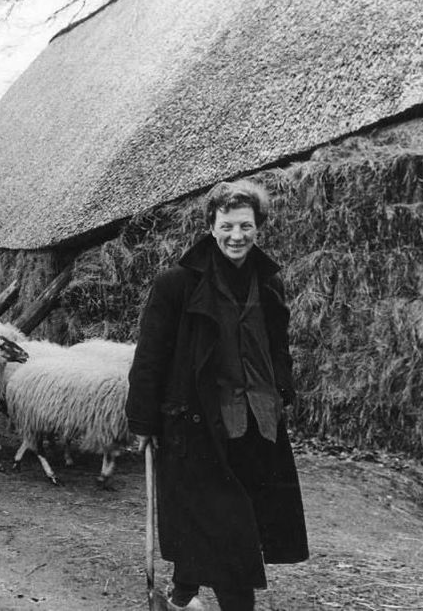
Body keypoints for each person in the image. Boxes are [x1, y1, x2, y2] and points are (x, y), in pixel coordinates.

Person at [126, 179, 309, 611]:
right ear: (211, 225)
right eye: (227, 225)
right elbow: (150, 356)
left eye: (245, 226)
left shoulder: (268, 283)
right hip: (199, 429)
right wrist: (143, 421)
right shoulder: (178, 284)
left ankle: (181, 594)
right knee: (230, 537)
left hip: (258, 424)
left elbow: (277, 344)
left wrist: (281, 389)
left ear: (258, 227)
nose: (236, 236)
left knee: (226, 525)